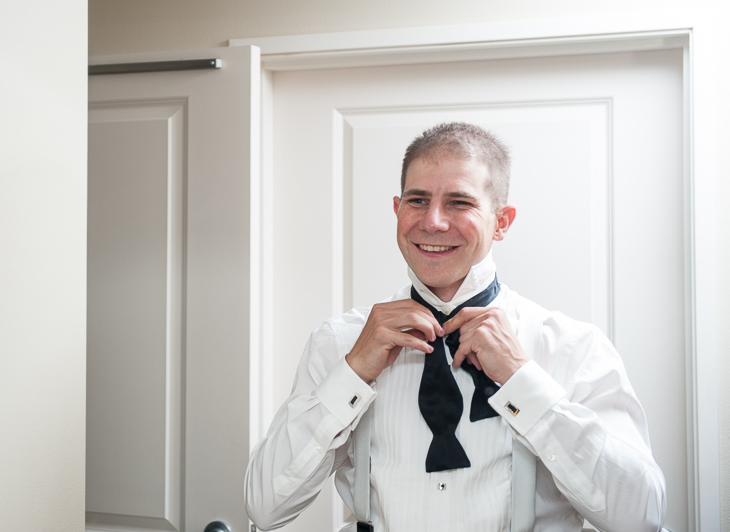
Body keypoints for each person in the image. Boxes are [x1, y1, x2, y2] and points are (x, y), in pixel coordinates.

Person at [245, 122, 666, 531]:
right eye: (417, 200)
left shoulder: (572, 348)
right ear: (397, 209)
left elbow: (642, 516)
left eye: (459, 203)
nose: (433, 222)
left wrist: (524, 381)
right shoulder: (339, 342)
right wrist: (351, 373)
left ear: (502, 221)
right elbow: (265, 508)